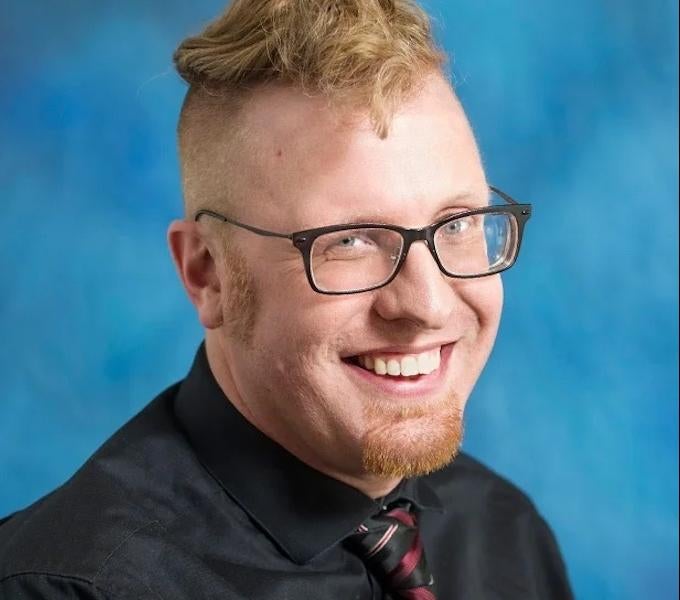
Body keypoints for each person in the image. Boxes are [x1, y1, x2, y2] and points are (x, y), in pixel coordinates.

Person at [0, 1, 573, 598]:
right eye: (348, 240)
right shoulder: (72, 586)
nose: (425, 304)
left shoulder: (506, 532)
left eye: (457, 224)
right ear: (208, 274)